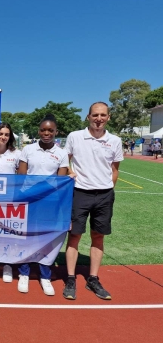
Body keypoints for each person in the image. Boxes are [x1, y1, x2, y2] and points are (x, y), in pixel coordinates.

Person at [64, 102, 123, 300]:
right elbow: (65, 161)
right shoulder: (75, 136)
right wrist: (72, 173)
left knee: (98, 236)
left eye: (103, 115)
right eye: (95, 115)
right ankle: (71, 278)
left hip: (104, 195)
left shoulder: (115, 140)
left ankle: (93, 278)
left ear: (108, 117)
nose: (99, 119)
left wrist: (108, 189)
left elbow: (115, 170)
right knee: (75, 235)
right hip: (79, 193)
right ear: (88, 116)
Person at [17, 114, 69, 296]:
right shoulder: (28, 150)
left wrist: (43, 189)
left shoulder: (61, 154)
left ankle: (44, 275)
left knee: (46, 237)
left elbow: (60, 181)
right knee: (27, 236)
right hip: (30, 200)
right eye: (43, 130)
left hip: (50, 201)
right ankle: (24, 272)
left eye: (50, 130)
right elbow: (21, 177)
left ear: (56, 132)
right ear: (38, 131)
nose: (46, 133)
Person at [0, 122, 21, 284]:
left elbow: (22, 178)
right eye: (1, 134)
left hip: (10, 202)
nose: (3, 137)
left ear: (10, 137)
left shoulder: (17, 153)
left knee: (8, 234)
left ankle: (7, 264)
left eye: (6, 134)